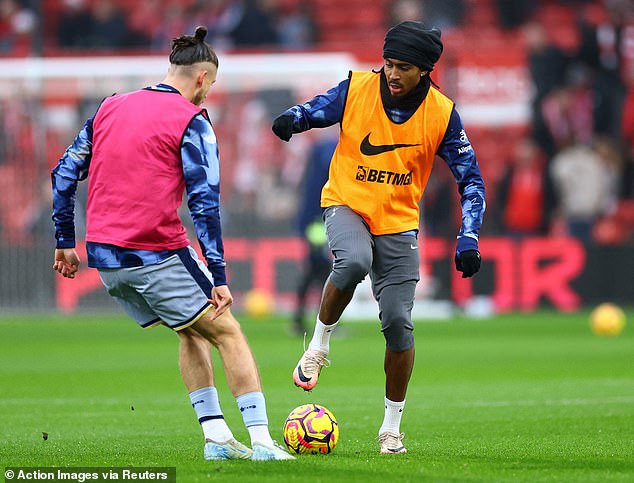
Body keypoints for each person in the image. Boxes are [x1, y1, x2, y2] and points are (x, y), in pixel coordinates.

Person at [51, 26, 294, 462]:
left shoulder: (110, 106)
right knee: (229, 331)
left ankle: (217, 437)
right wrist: (218, 277)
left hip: (105, 258)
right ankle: (262, 442)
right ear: (202, 78)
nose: (208, 95)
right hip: (155, 251)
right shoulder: (191, 119)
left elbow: (64, 173)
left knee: (189, 328)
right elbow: (205, 204)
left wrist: (64, 240)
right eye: (212, 86)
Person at [272, 20, 486, 454]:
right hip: (346, 202)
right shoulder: (357, 87)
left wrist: (469, 236)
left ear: (424, 70)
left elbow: (472, 181)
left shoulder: (443, 114)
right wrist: (294, 120)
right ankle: (318, 346)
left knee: (398, 324)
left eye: (402, 66)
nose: (391, 73)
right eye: (387, 63)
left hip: (400, 221)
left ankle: (390, 427)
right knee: (352, 262)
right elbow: (318, 108)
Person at [291, 134, 336, 336]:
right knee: (323, 271)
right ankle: (325, 322)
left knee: (316, 271)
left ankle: (302, 320)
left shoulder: (318, 152)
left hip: (315, 219)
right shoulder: (328, 148)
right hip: (319, 220)